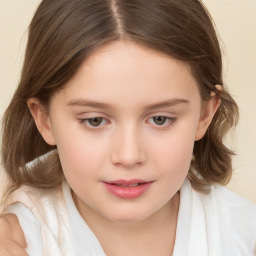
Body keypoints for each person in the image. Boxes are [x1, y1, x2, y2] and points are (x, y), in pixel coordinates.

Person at [0, 0, 255, 255]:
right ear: (44, 118)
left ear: (205, 114)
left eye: (160, 119)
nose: (129, 155)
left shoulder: (244, 235)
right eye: (95, 121)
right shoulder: (18, 239)